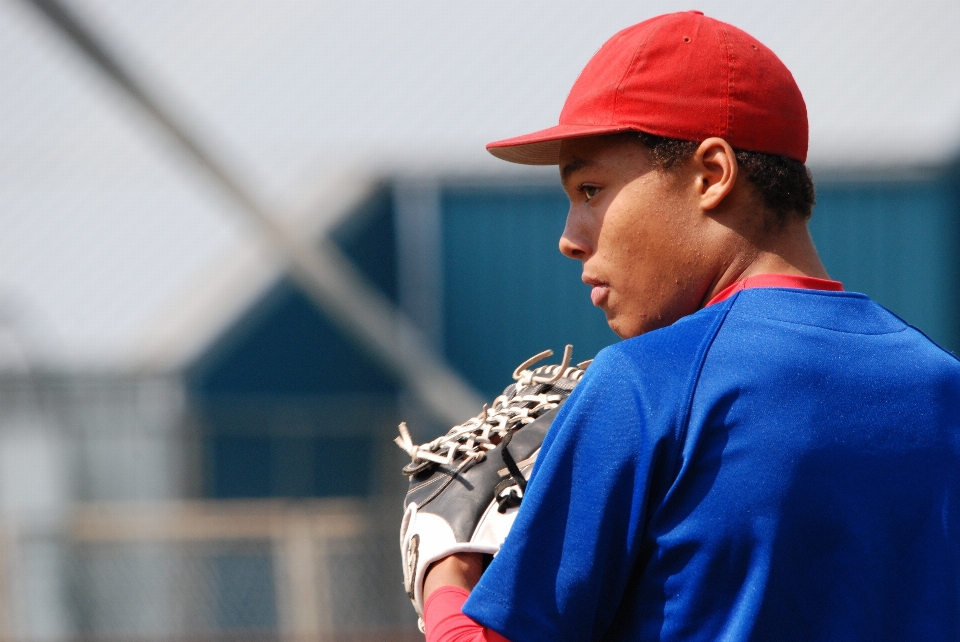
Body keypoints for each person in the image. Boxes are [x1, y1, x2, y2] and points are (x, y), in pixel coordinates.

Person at [419, 11, 960, 642]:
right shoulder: (941, 386)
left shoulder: (649, 387)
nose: (570, 238)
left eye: (590, 189)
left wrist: (445, 574)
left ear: (711, 175)